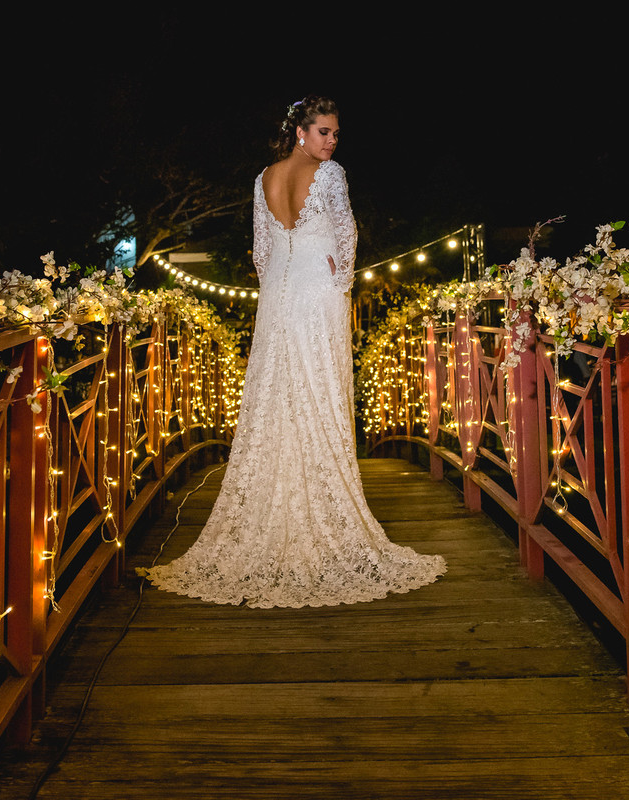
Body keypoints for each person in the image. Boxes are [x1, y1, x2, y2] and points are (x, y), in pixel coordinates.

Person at [140, 95, 446, 608]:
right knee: (320, 390)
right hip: (316, 292)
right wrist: (340, 281)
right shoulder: (330, 175)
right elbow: (346, 232)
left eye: (335, 134)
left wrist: (283, 282)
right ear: (301, 132)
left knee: (278, 393)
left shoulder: (263, 178)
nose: (331, 141)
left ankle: (279, 509)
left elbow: (261, 252)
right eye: (323, 132)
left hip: (278, 295)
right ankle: (317, 515)